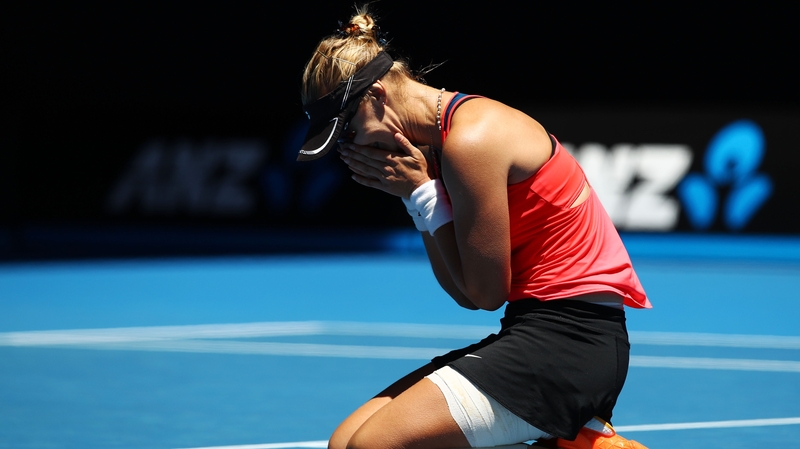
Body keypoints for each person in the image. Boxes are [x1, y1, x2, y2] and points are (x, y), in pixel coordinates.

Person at [297, 6, 651, 449]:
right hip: (532, 332)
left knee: (375, 445)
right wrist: (416, 197)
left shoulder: (470, 142)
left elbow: (486, 295)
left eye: (347, 131)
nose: (353, 147)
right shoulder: (442, 148)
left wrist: (424, 193)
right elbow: (465, 293)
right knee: (346, 442)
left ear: (378, 96)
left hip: (573, 347)